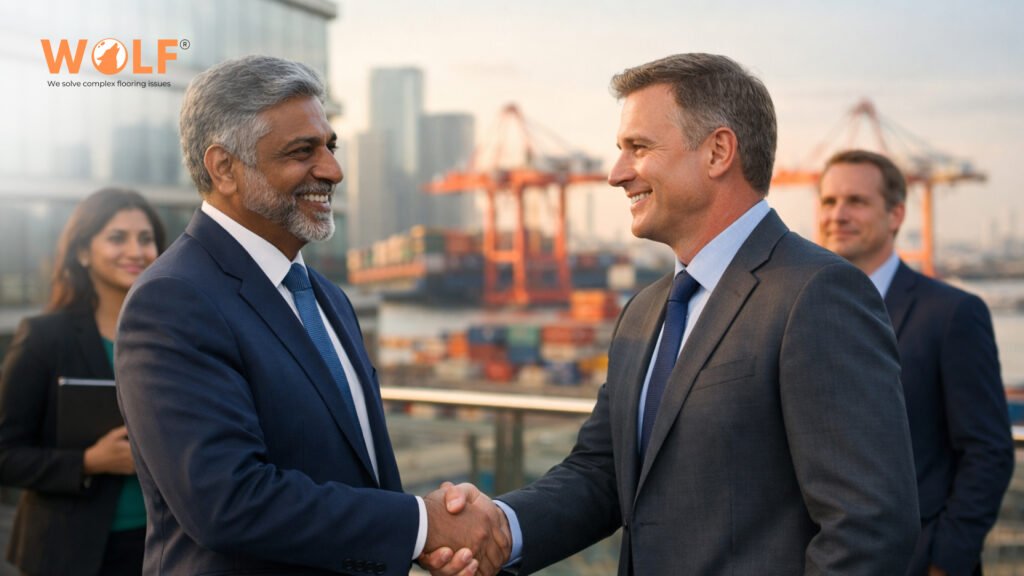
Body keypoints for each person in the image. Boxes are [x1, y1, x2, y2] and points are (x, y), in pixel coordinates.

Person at [424, 53, 921, 576]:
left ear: (718, 152)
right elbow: (603, 473)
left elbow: (869, 525)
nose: (616, 174)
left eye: (638, 148)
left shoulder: (818, 294)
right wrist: (502, 525)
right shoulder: (643, 311)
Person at [114, 55, 505, 576]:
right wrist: (420, 523)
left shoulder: (327, 297)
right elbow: (228, 501)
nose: (333, 170)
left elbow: (356, 472)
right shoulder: (173, 300)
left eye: (331, 147)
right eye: (303, 152)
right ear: (224, 168)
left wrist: (414, 543)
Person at [818, 149, 1014, 576]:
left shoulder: (952, 314)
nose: (838, 214)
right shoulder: (803, 312)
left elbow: (989, 452)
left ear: (896, 215)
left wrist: (945, 562)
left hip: (916, 561)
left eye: (857, 201)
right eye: (829, 202)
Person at [0, 187, 167, 575]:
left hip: (163, 544)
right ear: (83, 253)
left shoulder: (173, 337)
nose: (136, 251)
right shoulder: (44, 337)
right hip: (71, 551)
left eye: (146, 239)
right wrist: (89, 462)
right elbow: (5, 454)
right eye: (116, 238)